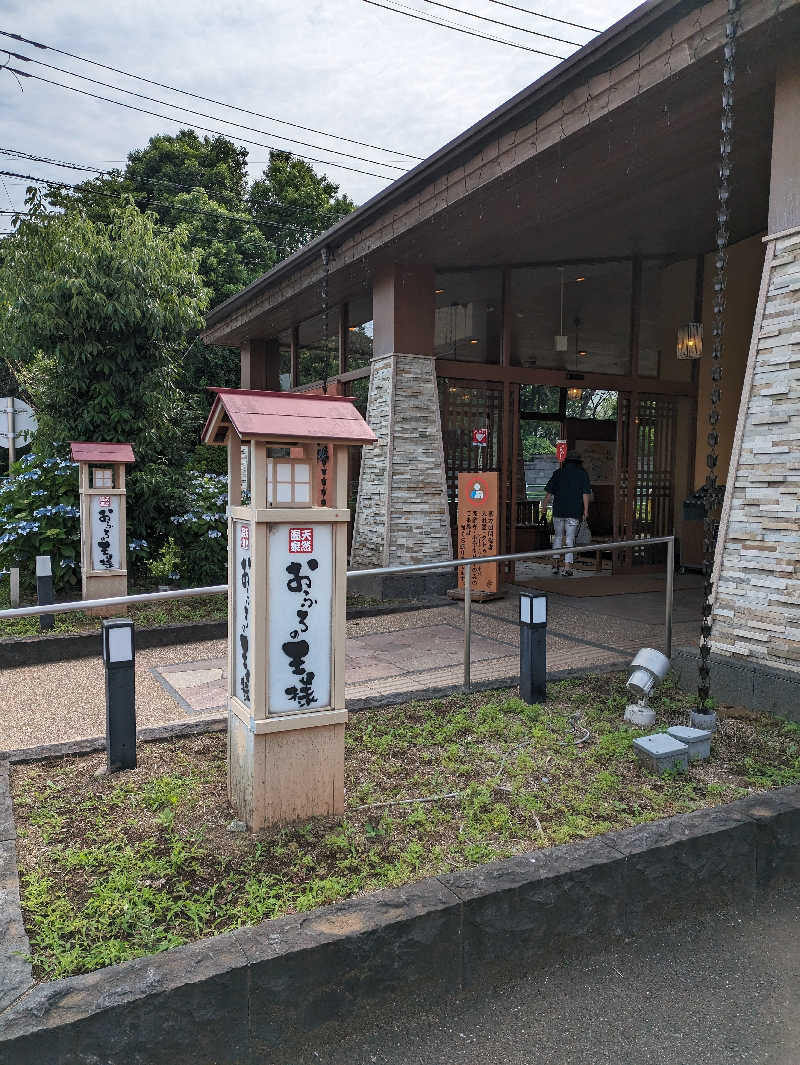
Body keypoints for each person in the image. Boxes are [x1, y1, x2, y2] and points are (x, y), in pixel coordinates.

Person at [542, 450, 591, 576]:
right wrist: (585, 510)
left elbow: (548, 494)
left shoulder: (558, 473)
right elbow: (585, 494)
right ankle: (567, 568)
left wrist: (544, 508)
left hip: (558, 511)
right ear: (578, 463)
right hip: (574, 512)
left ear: (566, 462)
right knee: (570, 539)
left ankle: (555, 565)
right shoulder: (582, 475)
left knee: (557, 537)